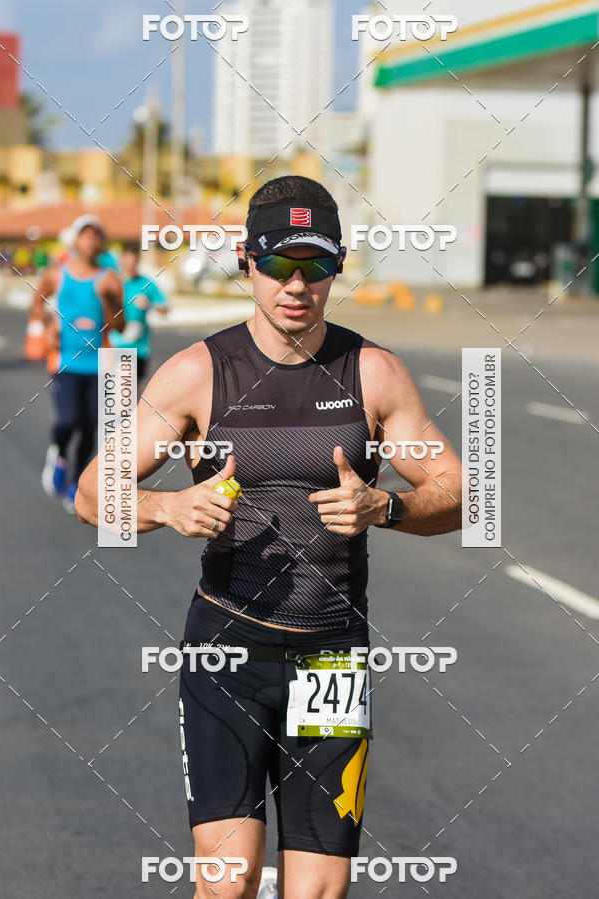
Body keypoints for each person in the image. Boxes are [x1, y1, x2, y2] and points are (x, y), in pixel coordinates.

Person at [75, 176, 462, 898]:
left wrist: (386, 506)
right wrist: (167, 507)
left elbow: (462, 493)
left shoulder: (373, 373)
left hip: (331, 657)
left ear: (337, 268)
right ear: (247, 261)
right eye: (280, 262)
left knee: (317, 891)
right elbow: (93, 492)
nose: (296, 284)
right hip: (227, 648)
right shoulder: (200, 373)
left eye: (315, 265)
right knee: (229, 881)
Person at [32, 215, 124, 512]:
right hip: (65, 363)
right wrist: (48, 325)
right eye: (85, 234)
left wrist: (109, 302)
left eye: (95, 235)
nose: (90, 240)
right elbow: (38, 303)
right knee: (68, 421)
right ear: (75, 240)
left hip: (99, 364)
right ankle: (59, 454)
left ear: (101, 242)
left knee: (89, 426)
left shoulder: (110, 279)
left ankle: (75, 482)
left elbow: (120, 326)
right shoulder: (56, 274)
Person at [108, 241, 168, 382]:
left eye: (133, 260)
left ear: (138, 261)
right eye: (127, 259)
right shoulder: (112, 282)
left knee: (132, 388)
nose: (130, 264)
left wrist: (149, 305)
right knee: (110, 390)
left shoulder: (146, 283)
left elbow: (165, 309)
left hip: (138, 347)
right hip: (113, 344)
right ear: (121, 260)